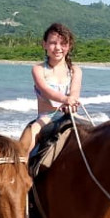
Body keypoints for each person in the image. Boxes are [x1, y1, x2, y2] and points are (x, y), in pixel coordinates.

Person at [19, 22, 84, 150]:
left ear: (69, 46)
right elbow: (46, 90)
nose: (58, 48)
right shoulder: (38, 69)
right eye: (53, 43)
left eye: (63, 43)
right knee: (26, 145)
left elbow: (74, 91)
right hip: (46, 118)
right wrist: (65, 99)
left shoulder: (76, 70)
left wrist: (72, 101)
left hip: (71, 115)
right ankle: (22, 167)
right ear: (44, 44)